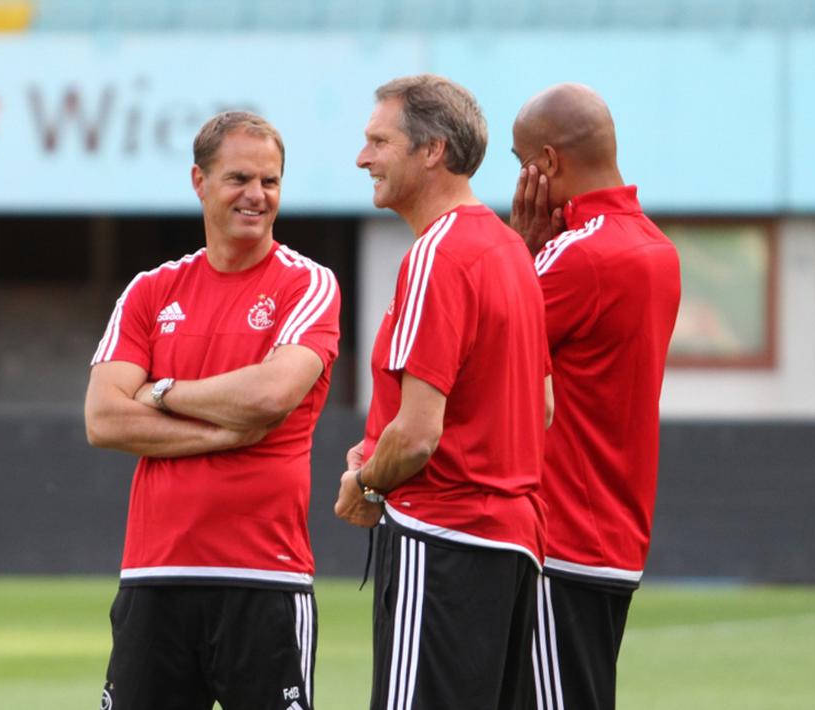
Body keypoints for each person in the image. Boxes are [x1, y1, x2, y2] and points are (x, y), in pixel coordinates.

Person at [84, 111, 340, 710]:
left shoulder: (309, 284)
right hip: (155, 576)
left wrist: (163, 392)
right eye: (239, 178)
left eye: (270, 182)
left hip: (264, 577)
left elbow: (270, 397)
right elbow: (103, 419)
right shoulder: (151, 290)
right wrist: (230, 431)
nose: (257, 195)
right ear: (199, 182)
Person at [334, 74, 552, 710]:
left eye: (379, 141)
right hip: (512, 547)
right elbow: (541, 406)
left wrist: (368, 482)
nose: (362, 157)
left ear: (432, 151)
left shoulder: (439, 253)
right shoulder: (512, 252)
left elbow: (419, 432)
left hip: (444, 541)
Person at [509, 83, 682, 710]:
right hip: (611, 533)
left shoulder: (580, 258)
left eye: (520, 161)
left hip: (563, 541)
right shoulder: (656, 249)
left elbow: (478, 347)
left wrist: (519, 250)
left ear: (548, 164)